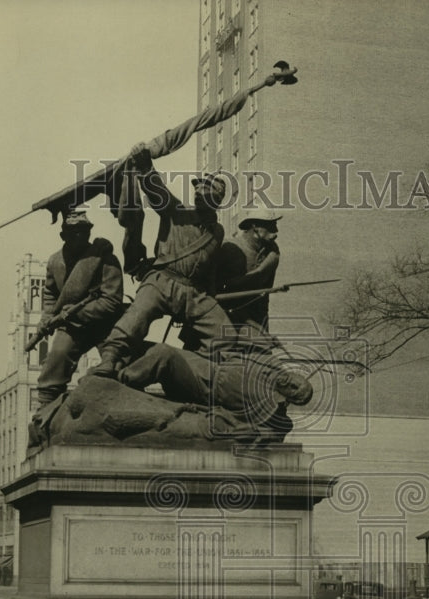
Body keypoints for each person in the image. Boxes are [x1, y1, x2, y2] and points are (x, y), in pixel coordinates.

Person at [91, 143, 235, 378]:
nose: (199, 193)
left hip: (194, 294)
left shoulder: (217, 232)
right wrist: (146, 166)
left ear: (218, 199)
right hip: (162, 281)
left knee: (227, 336)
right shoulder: (177, 211)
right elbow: (157, 191)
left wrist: (211, 296)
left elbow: (210, 270)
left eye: (207, 191)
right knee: (136, 317)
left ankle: (213, 376)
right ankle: (110, 358)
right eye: (198, 190)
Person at [118, 341, 312, 442]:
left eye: (295, 388)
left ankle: (120, 384)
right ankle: (116, 366)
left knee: (163, 354)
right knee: (145, 347)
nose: (293, 381)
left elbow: (275, 426)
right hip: (208, 363)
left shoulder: (264, 406)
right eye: (298, 379)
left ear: (289, 396)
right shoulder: (273, 366)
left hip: (202, 385)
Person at [33, 207, 125, 407]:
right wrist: (46, 319)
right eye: (75, 232)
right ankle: (46, 416)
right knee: (53, 366)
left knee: (122, 368)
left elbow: (112, 301)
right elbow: (50, 295)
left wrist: (77, 313)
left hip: (105, 325)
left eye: (85, 231)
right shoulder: (55, 261)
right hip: (72, 326)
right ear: (63, 235)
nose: (81, 236)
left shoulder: (104, 258)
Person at [209, 206, 284, 356]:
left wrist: (263, 328)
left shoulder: (271, 254)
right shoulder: (229, 247)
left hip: (253, 321)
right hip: (222, 317)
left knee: (261, 362)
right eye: (269, 225)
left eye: (275, 225)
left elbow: (264, 297)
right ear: (254, 226)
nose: (275, 230)